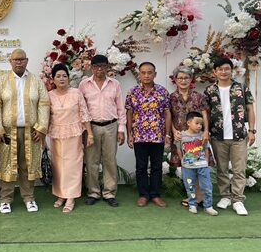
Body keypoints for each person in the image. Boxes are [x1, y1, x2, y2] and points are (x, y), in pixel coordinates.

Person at [0, 49, 50, 214]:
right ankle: (5, 200)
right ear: (10, 61)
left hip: (31, 132)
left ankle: (29, 198)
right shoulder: (2, 81)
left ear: (27, 61)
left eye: (22, 59)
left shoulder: (36, 81)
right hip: (7, 133)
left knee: (27, 166)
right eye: (15, 59)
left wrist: (41, 128)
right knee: (7, 166)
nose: (19, 62)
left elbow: (44, 104)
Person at [204, 57, 256, 216]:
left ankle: (238, 200)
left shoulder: (242, 88)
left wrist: (252, 130)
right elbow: (206, 113)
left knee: (239, 169)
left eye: (226, 69)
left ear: (231, 70)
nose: (223, 72)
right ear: (215, 72)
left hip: (239, 135)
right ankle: (225, 196)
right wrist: (206, 131)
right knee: (222, 169)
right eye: (220, 69)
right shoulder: (209, 90)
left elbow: (250, 109)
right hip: (218, 135)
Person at [78, 54, 126, 207]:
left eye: (103, 66)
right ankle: (93, 192)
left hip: (111, 126)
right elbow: (81, 108)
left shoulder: (115, 84)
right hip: (91, 128)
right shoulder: (84, 84)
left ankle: (109, 193)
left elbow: (120, 107)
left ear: (107, 67)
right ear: (91, 68)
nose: (99, 69)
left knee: (109, 161)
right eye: (96, 66)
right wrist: (84, 130)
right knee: (91, 161)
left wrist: (121, 129)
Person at [48, 63, 93, 213]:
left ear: (68, 78)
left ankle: (71, 197)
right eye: (58, 76)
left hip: (74, 134)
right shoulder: (49, 95)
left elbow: (84, 114)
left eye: (64, 76)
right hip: (56, 134)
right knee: (58, 165)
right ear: (53, 79)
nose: (62, 79)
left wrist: (90, 133)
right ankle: (61, 194)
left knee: (73, 166)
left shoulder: (76, 93)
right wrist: (42, 139)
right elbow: (46, 117)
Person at [125, 62, 171, 207]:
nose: (146, 75)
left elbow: (167, 113)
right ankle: (144, 195)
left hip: (158, 135)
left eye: (149, 72)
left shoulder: (162, 92)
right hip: (139, 135)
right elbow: (129, 113)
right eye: (143, 72)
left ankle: (155, 195)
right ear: (139, 74)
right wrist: (129, 134)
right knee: (141, 167)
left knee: (157, 166)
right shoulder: (132, 92)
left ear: (155, 74)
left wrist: (167, 134)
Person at [169, 66, 210, 207]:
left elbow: (204, 115)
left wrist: (206, 131)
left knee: (198, 165)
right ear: (175, 80)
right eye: (180, 78)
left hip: (197, 138)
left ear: (191, 79)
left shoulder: (199, 96)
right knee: (187, 166)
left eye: (186, 77)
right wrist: (174, 131)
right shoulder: (171, 97)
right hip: (182, 138)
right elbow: (169, 116)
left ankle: (199, 197)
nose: (183, 80)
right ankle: (194, 196)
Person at [178, 111, 219, 216]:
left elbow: (206, 148)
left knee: (207, 186)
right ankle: (192, 204)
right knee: (190, 186)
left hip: (202, 166)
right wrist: (182, 160)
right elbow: (178, 148)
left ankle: (208, 206)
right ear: (188, 123)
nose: (199, 126)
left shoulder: (203, 136)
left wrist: (206, 161)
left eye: (201, 124)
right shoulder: (181, 136)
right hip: (187, 167)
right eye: (197, 123)